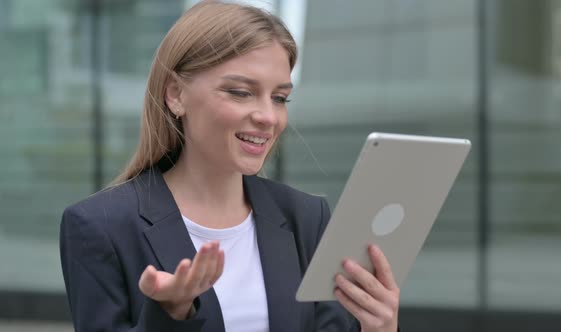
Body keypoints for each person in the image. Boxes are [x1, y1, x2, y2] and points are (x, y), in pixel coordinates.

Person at [59, 1, 400, 331]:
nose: (268, 117)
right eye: (240, 92)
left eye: (280, 98)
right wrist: (171, 316)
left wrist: (379, 329)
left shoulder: (307, 217)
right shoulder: (99, 227)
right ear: (176, 94)